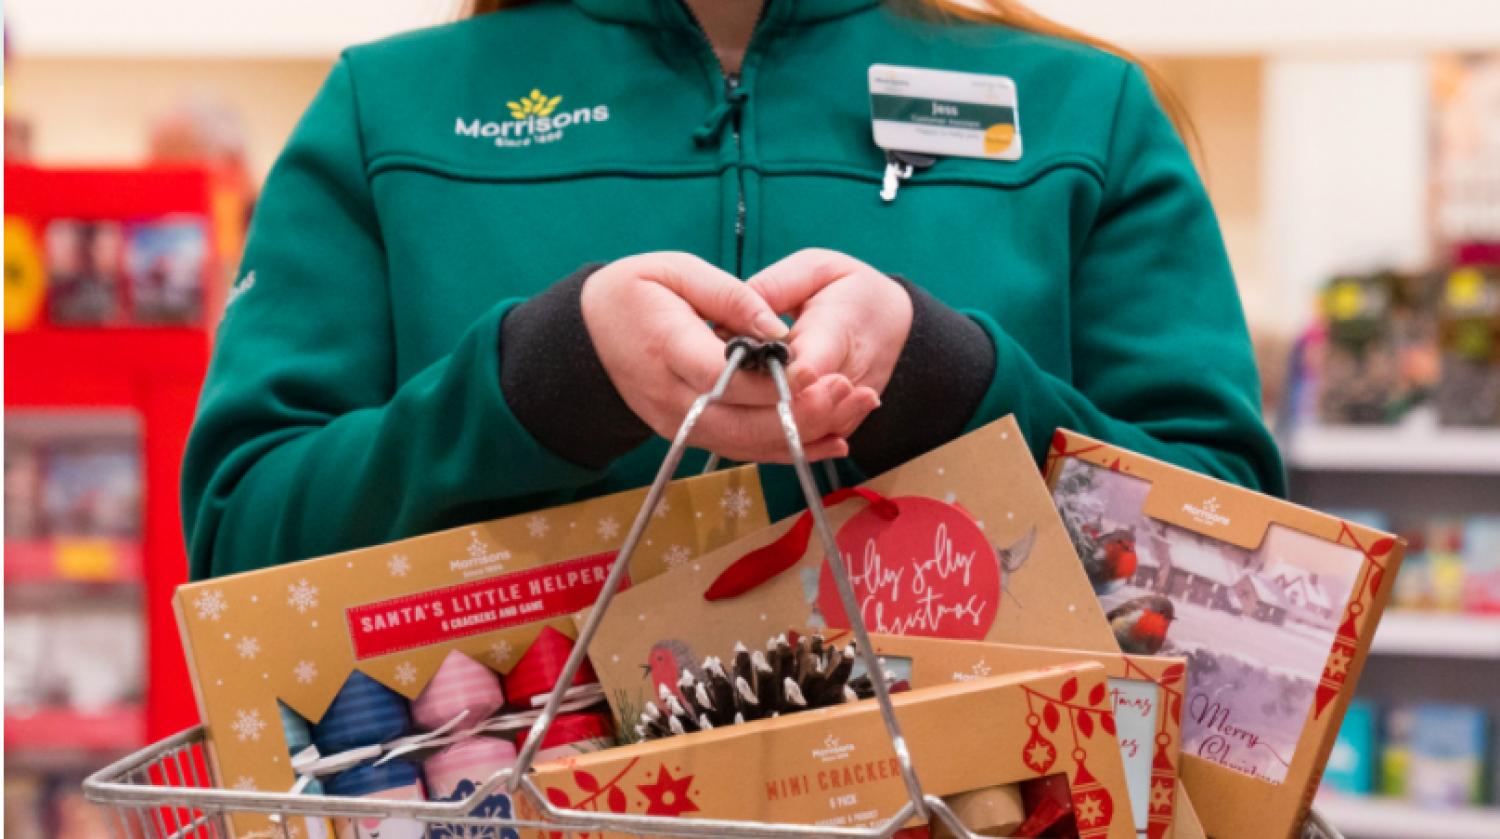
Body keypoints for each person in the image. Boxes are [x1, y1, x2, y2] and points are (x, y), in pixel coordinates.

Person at [182, 0, 1285, 579]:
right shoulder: (389, 114)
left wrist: (950, 381)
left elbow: (1245, 560)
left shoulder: (1086, 115)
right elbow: (242, 539)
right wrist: (539, 380)